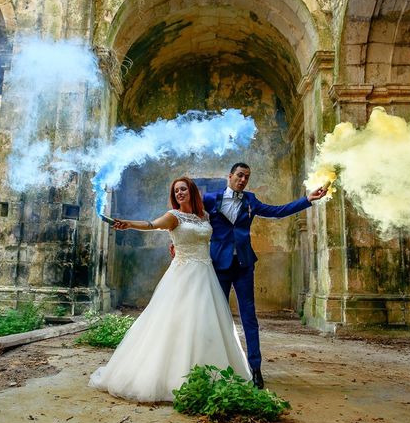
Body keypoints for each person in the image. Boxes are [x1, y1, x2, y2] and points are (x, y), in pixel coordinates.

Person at [89, 176, 251, 402]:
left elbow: (209, 239)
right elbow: (151, 225)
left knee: (205, 322)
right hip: (183, 274)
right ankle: (171, 377)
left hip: (205, 273)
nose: (179, 194)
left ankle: (205, 370)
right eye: (176, 191)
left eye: (183, 189)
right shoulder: (173, 216)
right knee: (173, 322)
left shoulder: (204, 215)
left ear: (192, 191)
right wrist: (128, 224)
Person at [203, 162, 328, 389]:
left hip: (243, 265)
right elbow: (188, 215)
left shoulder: (251, 200)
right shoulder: (211, 198)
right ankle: (214, 366)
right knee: (217, 316)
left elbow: (277, 212)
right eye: (239, 176)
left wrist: (307, 200)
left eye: (246, 177)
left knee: (249, 318)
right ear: (229, 176)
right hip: (218, 264)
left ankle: (256, 370)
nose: (243, 180)